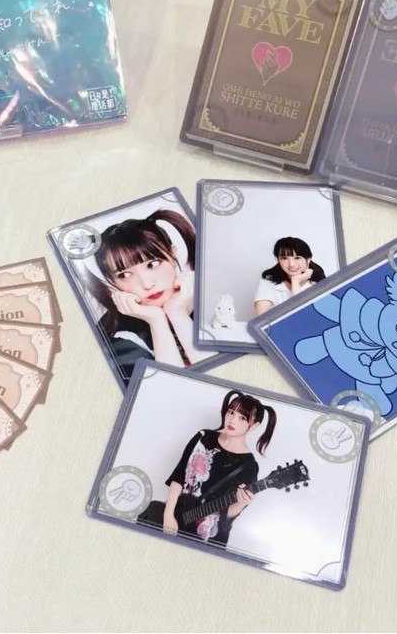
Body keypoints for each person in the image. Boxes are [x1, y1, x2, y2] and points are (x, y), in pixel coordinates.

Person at [138, 390, 277, 547]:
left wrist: (241, 503)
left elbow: (227, 517)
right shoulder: (203, 437)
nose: (232, 420)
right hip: (176, 515)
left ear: (254, 425)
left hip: (206, 534)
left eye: (242, 418)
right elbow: (179, 475)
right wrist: (168, 515)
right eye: (231, 412)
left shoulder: (249, 465)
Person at [84, 208, 208, 383]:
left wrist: (177, 313)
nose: (147, 284)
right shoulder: (117, 336)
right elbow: (172, 388)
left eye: (153, 264)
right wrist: (156, 321)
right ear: (113, 282)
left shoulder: (213, 300)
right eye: (125, 275)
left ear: (173, 254)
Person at [253, 236, 325, 316]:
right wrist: (296, 281)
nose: (291, 264)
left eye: (297, 258)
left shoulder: (319, 282)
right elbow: (262, 318)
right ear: (278, 260)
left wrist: (295, 283)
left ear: (308, 260)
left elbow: (305, 316)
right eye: (284, 258)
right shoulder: (268, 282)